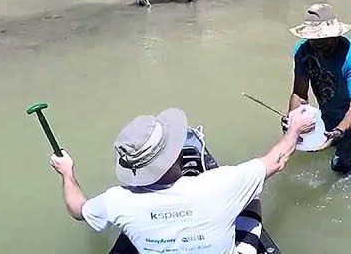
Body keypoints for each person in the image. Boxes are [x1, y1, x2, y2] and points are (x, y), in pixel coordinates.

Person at [50, 106, 315, 254]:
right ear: (175, 151)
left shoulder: (117, 200)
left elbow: (77, 209)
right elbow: (277, 160)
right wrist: (295, 129)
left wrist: (67, 172)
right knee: (252, 197)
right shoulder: (221, 184)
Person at [284, 3, 351, 175]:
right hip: (328, 108)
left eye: (325, 40)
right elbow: (299, 94)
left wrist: (340, 130)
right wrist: (292, 119)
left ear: (336, 34)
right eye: (315, 40)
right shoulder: (303, 52)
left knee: (341, 166)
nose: (320, 45)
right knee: (318, 143)